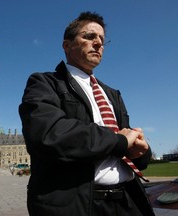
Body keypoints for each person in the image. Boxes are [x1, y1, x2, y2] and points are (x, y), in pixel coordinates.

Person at [19, 11, 155, 216]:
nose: (98, 43)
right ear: (67, 45)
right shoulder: (44, 83)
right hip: (82, 205)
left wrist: (142, 152)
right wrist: (118, 141)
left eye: (102, 39)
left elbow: (126, 143)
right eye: (90, 36)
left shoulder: (112, 94)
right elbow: (49, 134)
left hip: (128, 200)